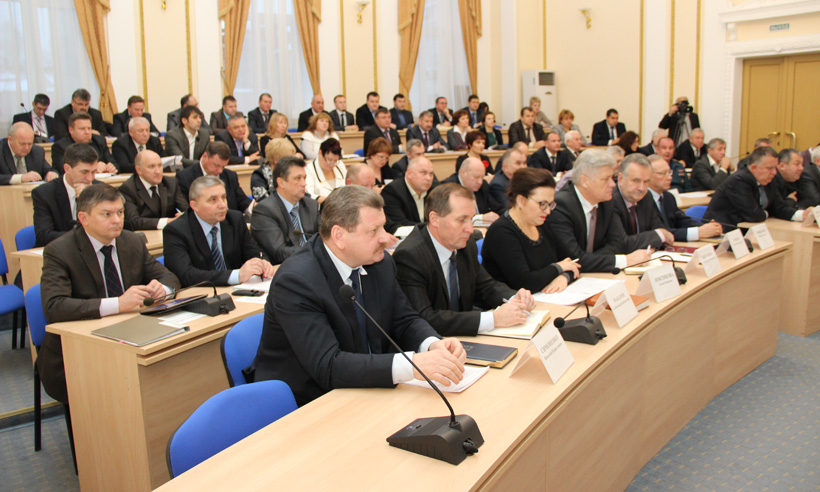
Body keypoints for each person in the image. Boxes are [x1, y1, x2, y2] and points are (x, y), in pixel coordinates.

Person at [245, 185, 466, 407]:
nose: (385, 238)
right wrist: (412, 365)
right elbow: (328, 365)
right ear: (339, 236)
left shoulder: (380, 263)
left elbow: (404, 319)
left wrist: (432, 344)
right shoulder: (296, 281)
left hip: (365, 387)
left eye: (383, 227)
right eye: (374, 231)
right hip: (305, 401)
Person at [37, 183, 180, 405]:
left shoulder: (132, 241)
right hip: (76, 352)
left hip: (132, 337)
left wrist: (163, 290)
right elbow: (54, 307)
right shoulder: (59, 251)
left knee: (167, 372)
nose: (117, 220)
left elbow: (170, 278)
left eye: (120, 212)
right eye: (107, 214)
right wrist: (118, 304)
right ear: (83, 218)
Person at [393, 183, 536, 337]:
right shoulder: (410, 256)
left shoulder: (465, 244)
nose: (470, 229)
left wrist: (513, 298)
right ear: (434, 219)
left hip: (463, 337)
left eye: (471, 219)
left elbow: (485, 286)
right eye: (462, 220)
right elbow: (424, 318)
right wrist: (493, 319)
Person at [546, 149, 652, 272]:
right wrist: (625, 260)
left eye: (612, 178)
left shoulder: (606, 201)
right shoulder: (561, 206)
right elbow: (574, 259)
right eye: (606, 179)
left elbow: (618, 243)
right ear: (584, 181)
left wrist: (590, 259)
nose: (613, 184)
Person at [163, 175, 275, 286]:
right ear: (194, 205)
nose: (222, 205)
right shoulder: (176, 231)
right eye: (213, 200)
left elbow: (253, 252)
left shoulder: (235, 219)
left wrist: (263, 263)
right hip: (201, 292)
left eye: (223, 197)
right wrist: (236, 275)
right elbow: (186, 275)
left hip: (236, 290)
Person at [483, 168, 580, 292]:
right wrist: (559, 268)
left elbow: (574, 261)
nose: (548, 211)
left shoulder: (541, 223)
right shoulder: (501, 232)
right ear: (521, 200)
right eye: (542, 204)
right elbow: (525, 282)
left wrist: (564, 277)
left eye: (550, 204)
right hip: (513, 301)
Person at [704, 147, 813, 229]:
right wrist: (767, 213)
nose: (774, 173)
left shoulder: (769, 179)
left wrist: (802, 215)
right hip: (723, 231)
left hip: (749, 230)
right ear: (754, 167)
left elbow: (778, 208)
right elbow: (753, 215)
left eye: (775, 168)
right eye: (770, 168)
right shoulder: (739, 180)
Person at [251, 156, 320, 264]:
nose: (304, 183)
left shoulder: (311, 205)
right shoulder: (264, 211)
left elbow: (325, 238)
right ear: (281, 182)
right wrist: (315, 251)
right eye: (298, 178)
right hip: (287, 267)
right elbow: (280, 253)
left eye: (304, 178)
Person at [32, 143, 97, 247]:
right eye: (84, 172)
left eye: (93, 172)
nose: (90, 178)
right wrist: (83, 237)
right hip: (60, 250)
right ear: (67, 169)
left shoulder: (100, 189)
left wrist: (89, 199)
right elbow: (44, 236)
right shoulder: (44, 193)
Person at [647, 154, 722, 242]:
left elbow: (681, 220)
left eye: (670, 172)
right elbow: (661, 232)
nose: (669, 177)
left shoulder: (668, 197)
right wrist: (698, 232)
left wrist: (706, 227)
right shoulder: (643, 201)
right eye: (663, 173)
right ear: (648, 176)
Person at [611, 154, 674, 250]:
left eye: (646, 181)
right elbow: (622, 243)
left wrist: (659, 235)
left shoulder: (646, 197)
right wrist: (659, 235)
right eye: (636, 181)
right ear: (620, 179)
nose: (642, 188)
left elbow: (659, 228)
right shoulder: (610, 200)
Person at [176, 141, 253, 213]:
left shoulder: (230, 176)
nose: (220, 171)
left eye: (223, 167)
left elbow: (242, 200)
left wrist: (254, 207)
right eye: (216, 165)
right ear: (205, 156)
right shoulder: (185, 177)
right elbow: (187, 208)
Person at [120, 150, 188, 231]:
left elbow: (186, 211)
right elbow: (134, 222)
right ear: (139, 170)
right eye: (151, 166)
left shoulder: (171, 183)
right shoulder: (128, 189)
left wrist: (182, 216)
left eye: (160, 165)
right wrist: (168, 221)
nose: (158, 171)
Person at [382, 156, 436, 233]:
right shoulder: (392, 191)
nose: (428, 178)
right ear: (409, 173)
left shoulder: (434, 191)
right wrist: (432, 228)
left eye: (431, 174)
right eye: (423, 173)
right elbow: (400, 225)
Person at [51, 112, 118, 174]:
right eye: (82, 129)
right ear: (71, 130)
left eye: (89, 128)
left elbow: (115, 164)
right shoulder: (60, 147)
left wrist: (111, 167)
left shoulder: (99, 141)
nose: (87, 132)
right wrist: (93, 167)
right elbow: (64, 170)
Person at [442, 157, 504, 222]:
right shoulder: (448, 187)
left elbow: (497, 208)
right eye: (476, 177)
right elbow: (450, 216)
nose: (480, 182)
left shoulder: (483, 185)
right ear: (463, 172)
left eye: (482, 177)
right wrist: (480, 217)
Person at [305, 138, 346, 204]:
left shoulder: (340, 165)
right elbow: (309, 196)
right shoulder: (309, 170)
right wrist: (333, 201)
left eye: (335, 160)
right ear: (320, 153)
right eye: (329, 159)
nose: (332, 164)